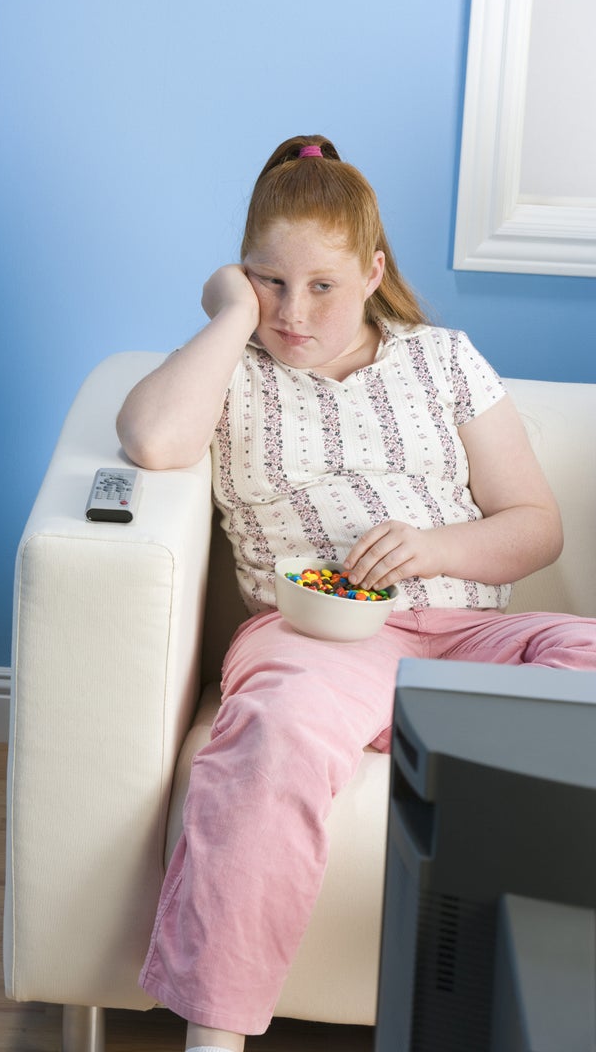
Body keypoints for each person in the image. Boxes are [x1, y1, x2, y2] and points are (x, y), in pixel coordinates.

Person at [116, 135, 596, 1052]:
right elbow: (150, 439)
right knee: (277, 732)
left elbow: (536, 523)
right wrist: (225, 316)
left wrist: (430, 547)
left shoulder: (444, 360)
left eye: (323, 285)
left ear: (374, 272)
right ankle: (214, 1035)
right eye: (269, 281)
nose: (292, 313)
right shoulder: (236, 367)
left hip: (465, 634)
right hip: (317, 642)